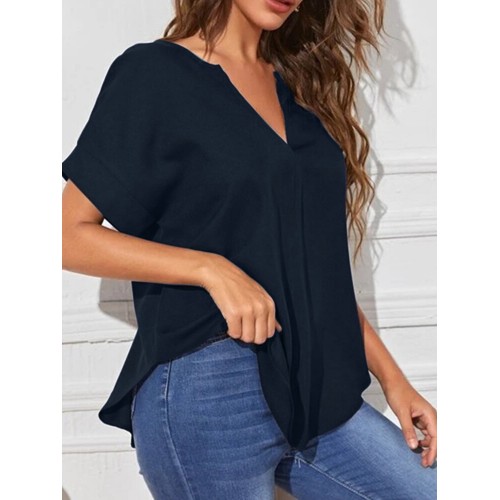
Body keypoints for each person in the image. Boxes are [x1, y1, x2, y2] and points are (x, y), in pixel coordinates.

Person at [62, 0, 437, 498]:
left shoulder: (300, 92)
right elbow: (67, 235)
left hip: (317, 392)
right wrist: (210, 269)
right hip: (208, 391)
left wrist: (393, 379)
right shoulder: (154, 73)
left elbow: (315, 271)